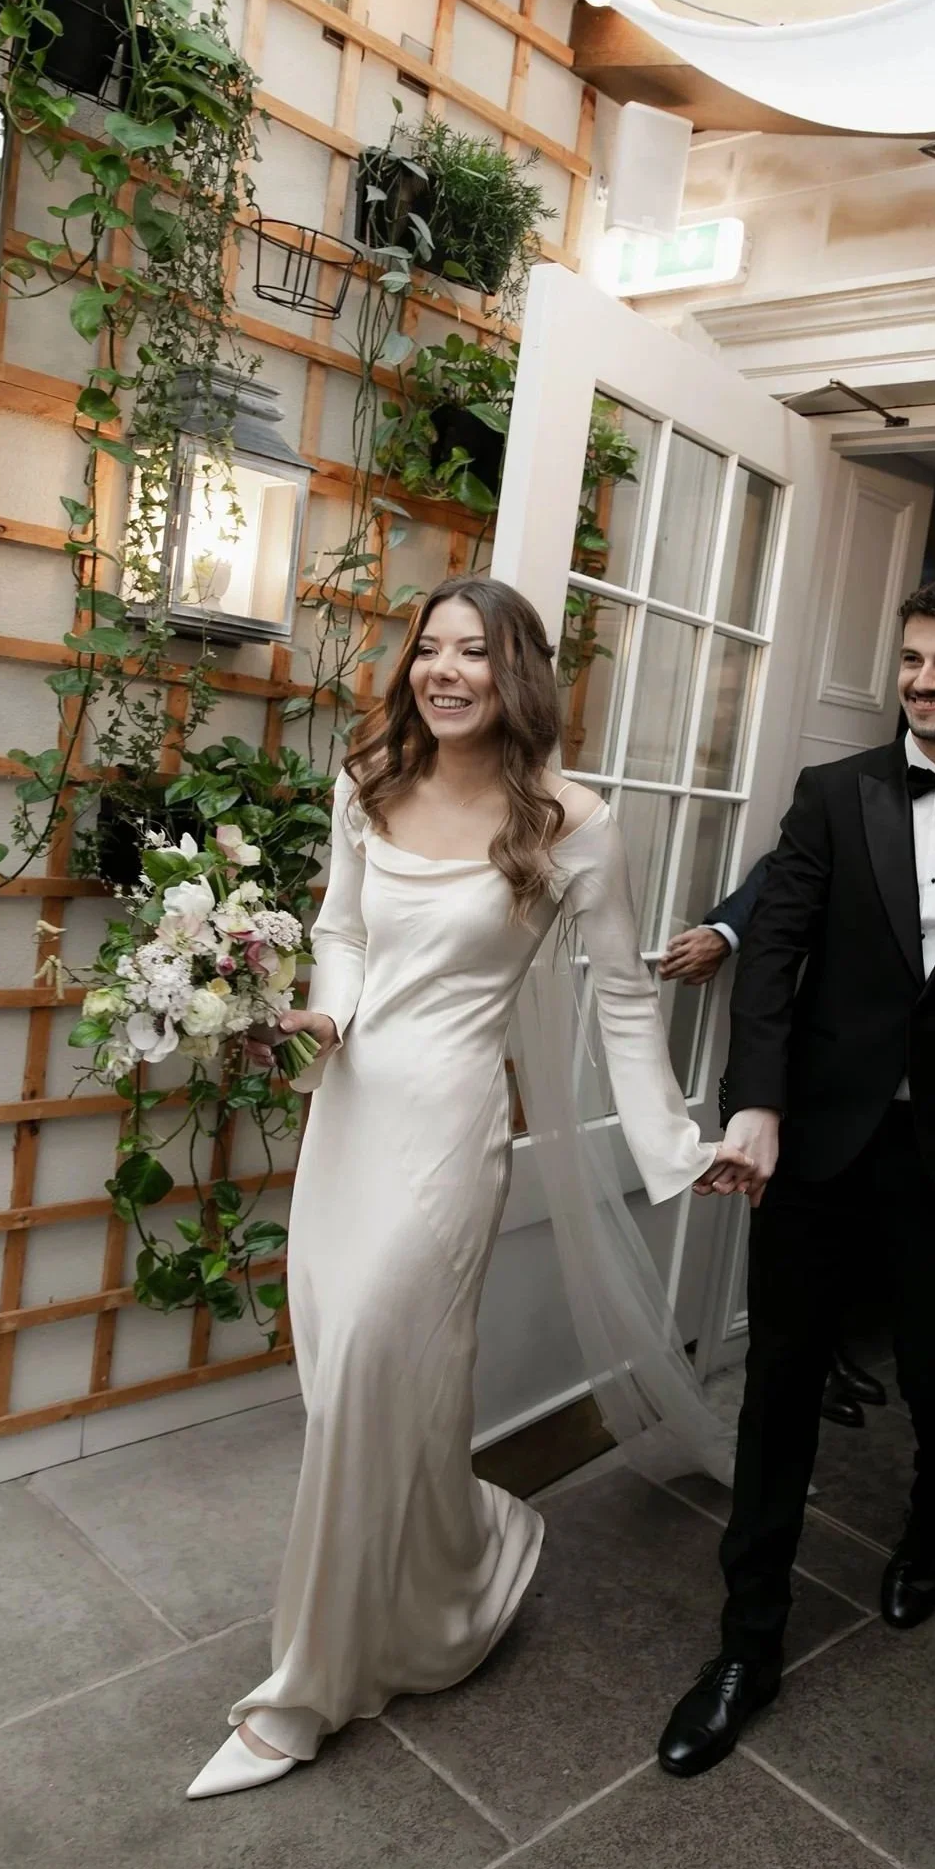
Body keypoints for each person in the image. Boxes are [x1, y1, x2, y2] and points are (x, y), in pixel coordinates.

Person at [187, 576, 759, 1800]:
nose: (445, 670)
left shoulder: (573, 819)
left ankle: (300, 1695)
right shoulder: (368, 780)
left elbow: (617, 993)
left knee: (358, 1390)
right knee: (352, 1381)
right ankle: (464, 1555)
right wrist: (323, 1016)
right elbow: (340, 927)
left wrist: (671, 1141)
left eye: (474, 653)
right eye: (430, 649)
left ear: (518, 673)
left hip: (447, 1132)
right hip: (348, 1115)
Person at [657, 567, 935, 1779]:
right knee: (779, 1387)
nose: (924, 680)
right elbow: (774, 951)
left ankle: (930, 1534)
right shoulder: (834, 796)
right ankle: (747, 1645)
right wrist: (757, 1107)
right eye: (912, 658)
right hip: (819, 1145)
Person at [659, 866, 888, 1430]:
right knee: (790, 1237)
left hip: (883, 1069)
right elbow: (782, 865)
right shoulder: (841, 797)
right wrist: (725, 932)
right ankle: (798, 1374)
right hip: (798, 1064)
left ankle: (827, 1354)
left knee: (852, 1229)